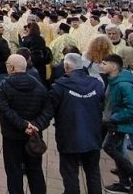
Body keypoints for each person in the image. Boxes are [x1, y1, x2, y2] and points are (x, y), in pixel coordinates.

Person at [0, 54, 52, 194]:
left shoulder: (4, 86)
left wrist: (24, 125)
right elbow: (48, 110)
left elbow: (6, 110)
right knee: (35, 170)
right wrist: (35, 125)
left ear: (12, 68)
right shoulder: (39, 86)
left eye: (8, 65)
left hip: (12, 136)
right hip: (34, 136)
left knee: (14, 171)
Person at [49, 53, 105, 194]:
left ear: (66, 66)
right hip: (93, 136)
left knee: (70, 173)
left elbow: (49, 110)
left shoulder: (59, 86)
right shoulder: (97, 84)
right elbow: (102, 105)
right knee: (93, 172)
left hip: (69, 136)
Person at [101, 54, 133, 194]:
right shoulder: (113, 81)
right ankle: (125, 183)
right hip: (115, 122)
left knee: (109, 147)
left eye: (105, 63)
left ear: (114, 66)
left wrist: (114, 118)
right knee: (117, 150)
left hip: (120, 123)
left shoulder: (123, 85)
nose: (101, 66)